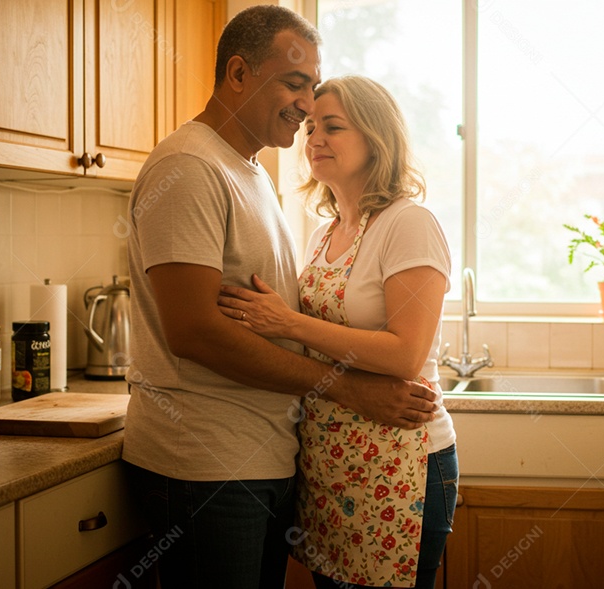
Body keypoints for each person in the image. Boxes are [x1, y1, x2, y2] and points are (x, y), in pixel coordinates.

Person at [121, 8, 438, 589]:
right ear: (238, 73)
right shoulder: (190, 165)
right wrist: (345, 387)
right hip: (206, 463)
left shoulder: (251, 172)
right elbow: (193, 331)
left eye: (314, 91)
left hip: (259, 460)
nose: (306, 106)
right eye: (295, 83)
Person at [217, 76, 458, 589]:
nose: (314, 139)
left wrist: (287, 321)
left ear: (376, 137)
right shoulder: (326, 234)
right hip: (333, 461)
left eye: (333, 126)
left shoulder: (407, 223)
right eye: (309, 127)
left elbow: (406, 355)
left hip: (400, 461)